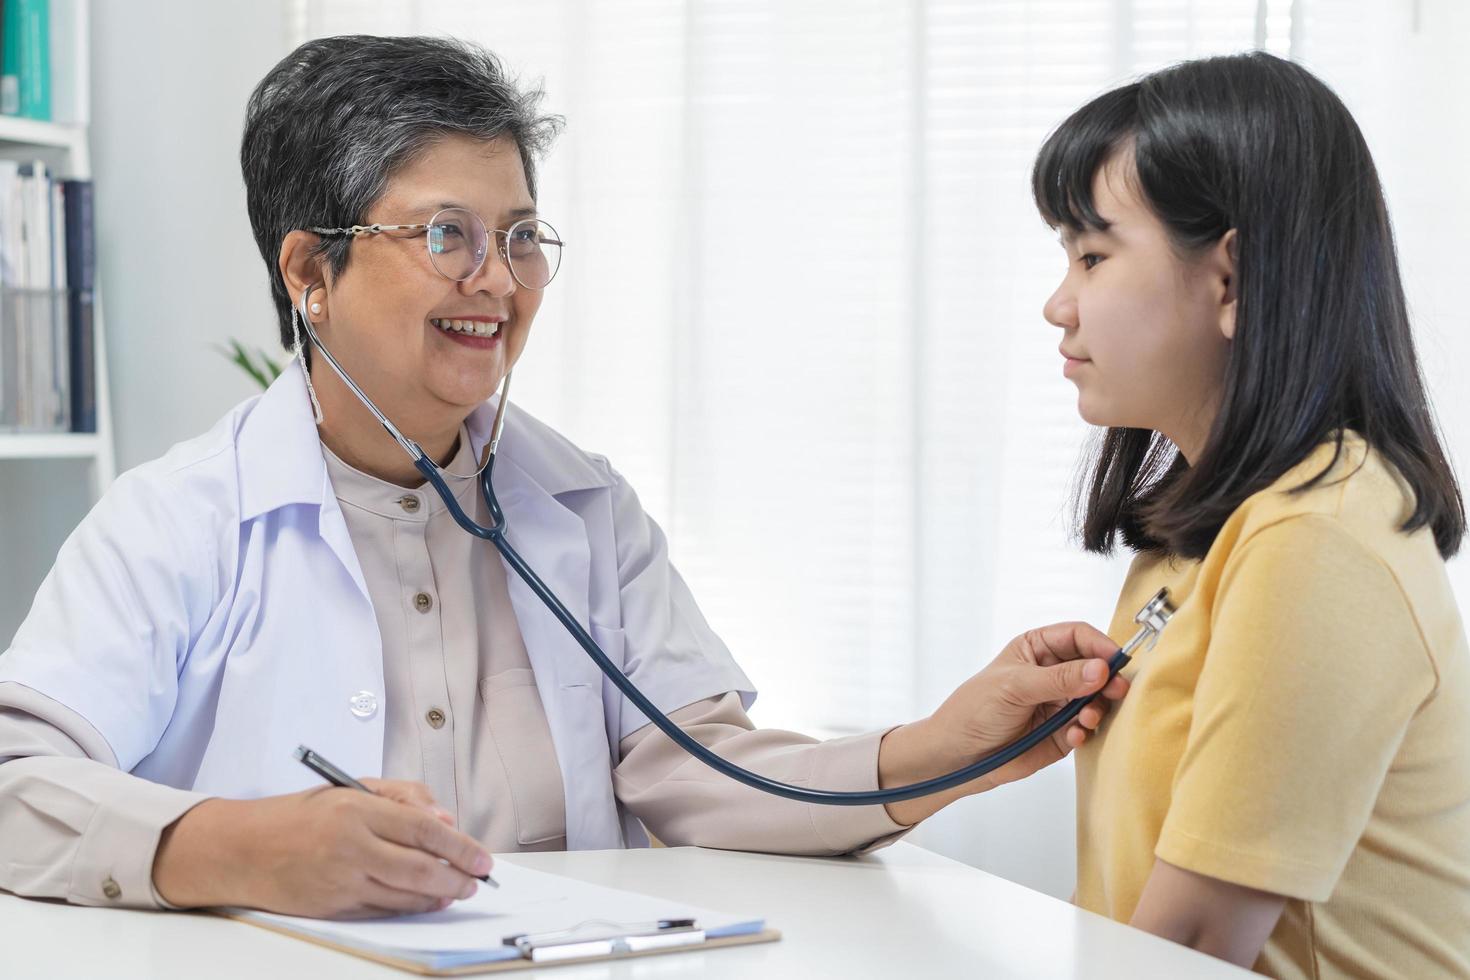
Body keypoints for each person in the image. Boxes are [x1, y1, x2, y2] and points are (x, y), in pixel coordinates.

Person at [0, 35, 1127, 919]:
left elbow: (702, 772)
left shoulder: (582, 505)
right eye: (447, 234)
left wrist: (951, 745)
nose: (500, 280)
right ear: (310, 272)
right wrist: (248, 845)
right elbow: (15, 779)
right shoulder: (178, 519)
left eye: (523, 235)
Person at [1033, 51, 1470, 976]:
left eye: (1093, 255)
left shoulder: (1320, 533)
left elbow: (1188, 947)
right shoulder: (1199, 528)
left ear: (1231, 279)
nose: (1057, 305)